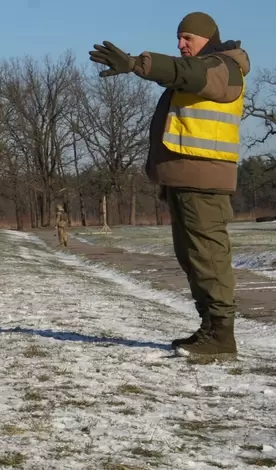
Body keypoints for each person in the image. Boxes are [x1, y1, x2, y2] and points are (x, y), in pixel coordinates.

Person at [90, 12, 248, 359]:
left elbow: (183, 72)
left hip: (204, 181)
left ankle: (222, 337)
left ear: (207, 38)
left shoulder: (222, 67)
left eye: (187, 38)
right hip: (185, 179)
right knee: (192, 258)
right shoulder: (202, 71)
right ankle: (210, 328)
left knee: (207, 256)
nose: (180, 45)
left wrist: (135, 63)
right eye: (178, 38)